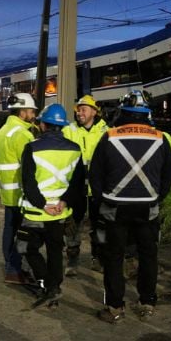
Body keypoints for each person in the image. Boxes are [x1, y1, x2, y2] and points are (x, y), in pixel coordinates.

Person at [89, 90, 171, 323]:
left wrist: (102, 200)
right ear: (147, 113)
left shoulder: (109, 136)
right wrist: (157, 197)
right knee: (149, 256)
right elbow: (170, 174)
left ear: (123, 111)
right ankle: (147, 302)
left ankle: (115, 307)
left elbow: (95, 174)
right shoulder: (161, 138)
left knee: (114, 257)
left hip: (115, 207)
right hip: (148, 207)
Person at [17, 103, 85, 308]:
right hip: (60, 212)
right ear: (62, 126)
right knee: (55, 250)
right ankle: (54, 286)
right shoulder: (75, 149)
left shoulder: (32, 147)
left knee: (27, 248)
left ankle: (46, 282)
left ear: (43, 125)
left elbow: (28, 183)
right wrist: (64, 202)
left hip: (36, 212)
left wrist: (43, 204)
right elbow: (78, 182)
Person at [0, 93, 39, 285]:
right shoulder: (23, 134)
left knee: (9, 229)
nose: (33, 114)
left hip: (6, 190)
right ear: (22, 112)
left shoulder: (2, 132)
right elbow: (31, 166)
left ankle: (11, 267)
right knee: (22, 233)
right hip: (20, 192)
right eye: (31, 111)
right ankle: (14, 269)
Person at [61, 95, 109, 275]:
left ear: (94, 112)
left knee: (100, 225)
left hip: (99, 186)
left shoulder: (106, 131)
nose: (79, 112)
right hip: (76, 185)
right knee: (73, 225)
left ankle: (98, 259)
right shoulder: (69, 130)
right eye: (78, 109)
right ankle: (72, 260)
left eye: (84, 109)